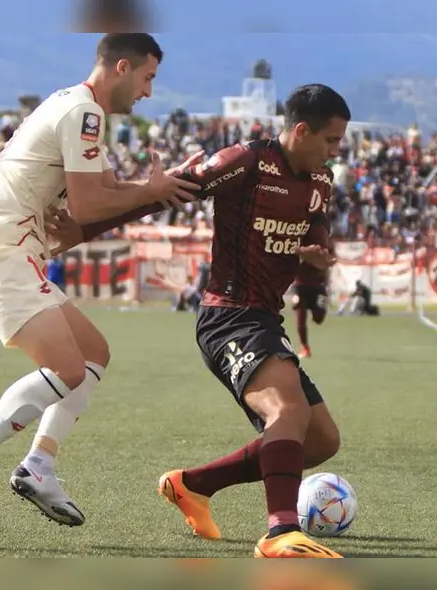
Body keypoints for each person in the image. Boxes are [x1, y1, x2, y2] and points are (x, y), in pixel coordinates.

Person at [0, 33, 202, 536]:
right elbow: (90, 205)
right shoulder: (85, 114)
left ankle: (39, 465)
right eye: (148, 78)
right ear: (123, 67)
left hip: (16, 250)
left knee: (94, 354)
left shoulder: (77, 106)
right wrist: (153, 189)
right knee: (68, 368)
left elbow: (103, 192)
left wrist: (150, 189)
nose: (147, 92)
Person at [71, 84, 350, 558]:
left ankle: (192, 485)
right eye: (331, 141)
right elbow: (166, 194)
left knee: (321, 440)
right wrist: (82, 229)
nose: (335, 151)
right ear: (301, 130)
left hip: (265, 320)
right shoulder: (246, 162)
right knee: (289, 413)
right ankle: (281, 532)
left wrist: (317, 266)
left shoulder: (321, 183)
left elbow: (316, 243)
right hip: (229, 316)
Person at [290, 258, 330, 358]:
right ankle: (305, 348)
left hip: (318, 288)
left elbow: (327, 261)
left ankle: (305, 348)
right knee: (300, 319)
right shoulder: (296, 246)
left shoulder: (320, 246)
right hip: (299, 287)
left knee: (318, 318)